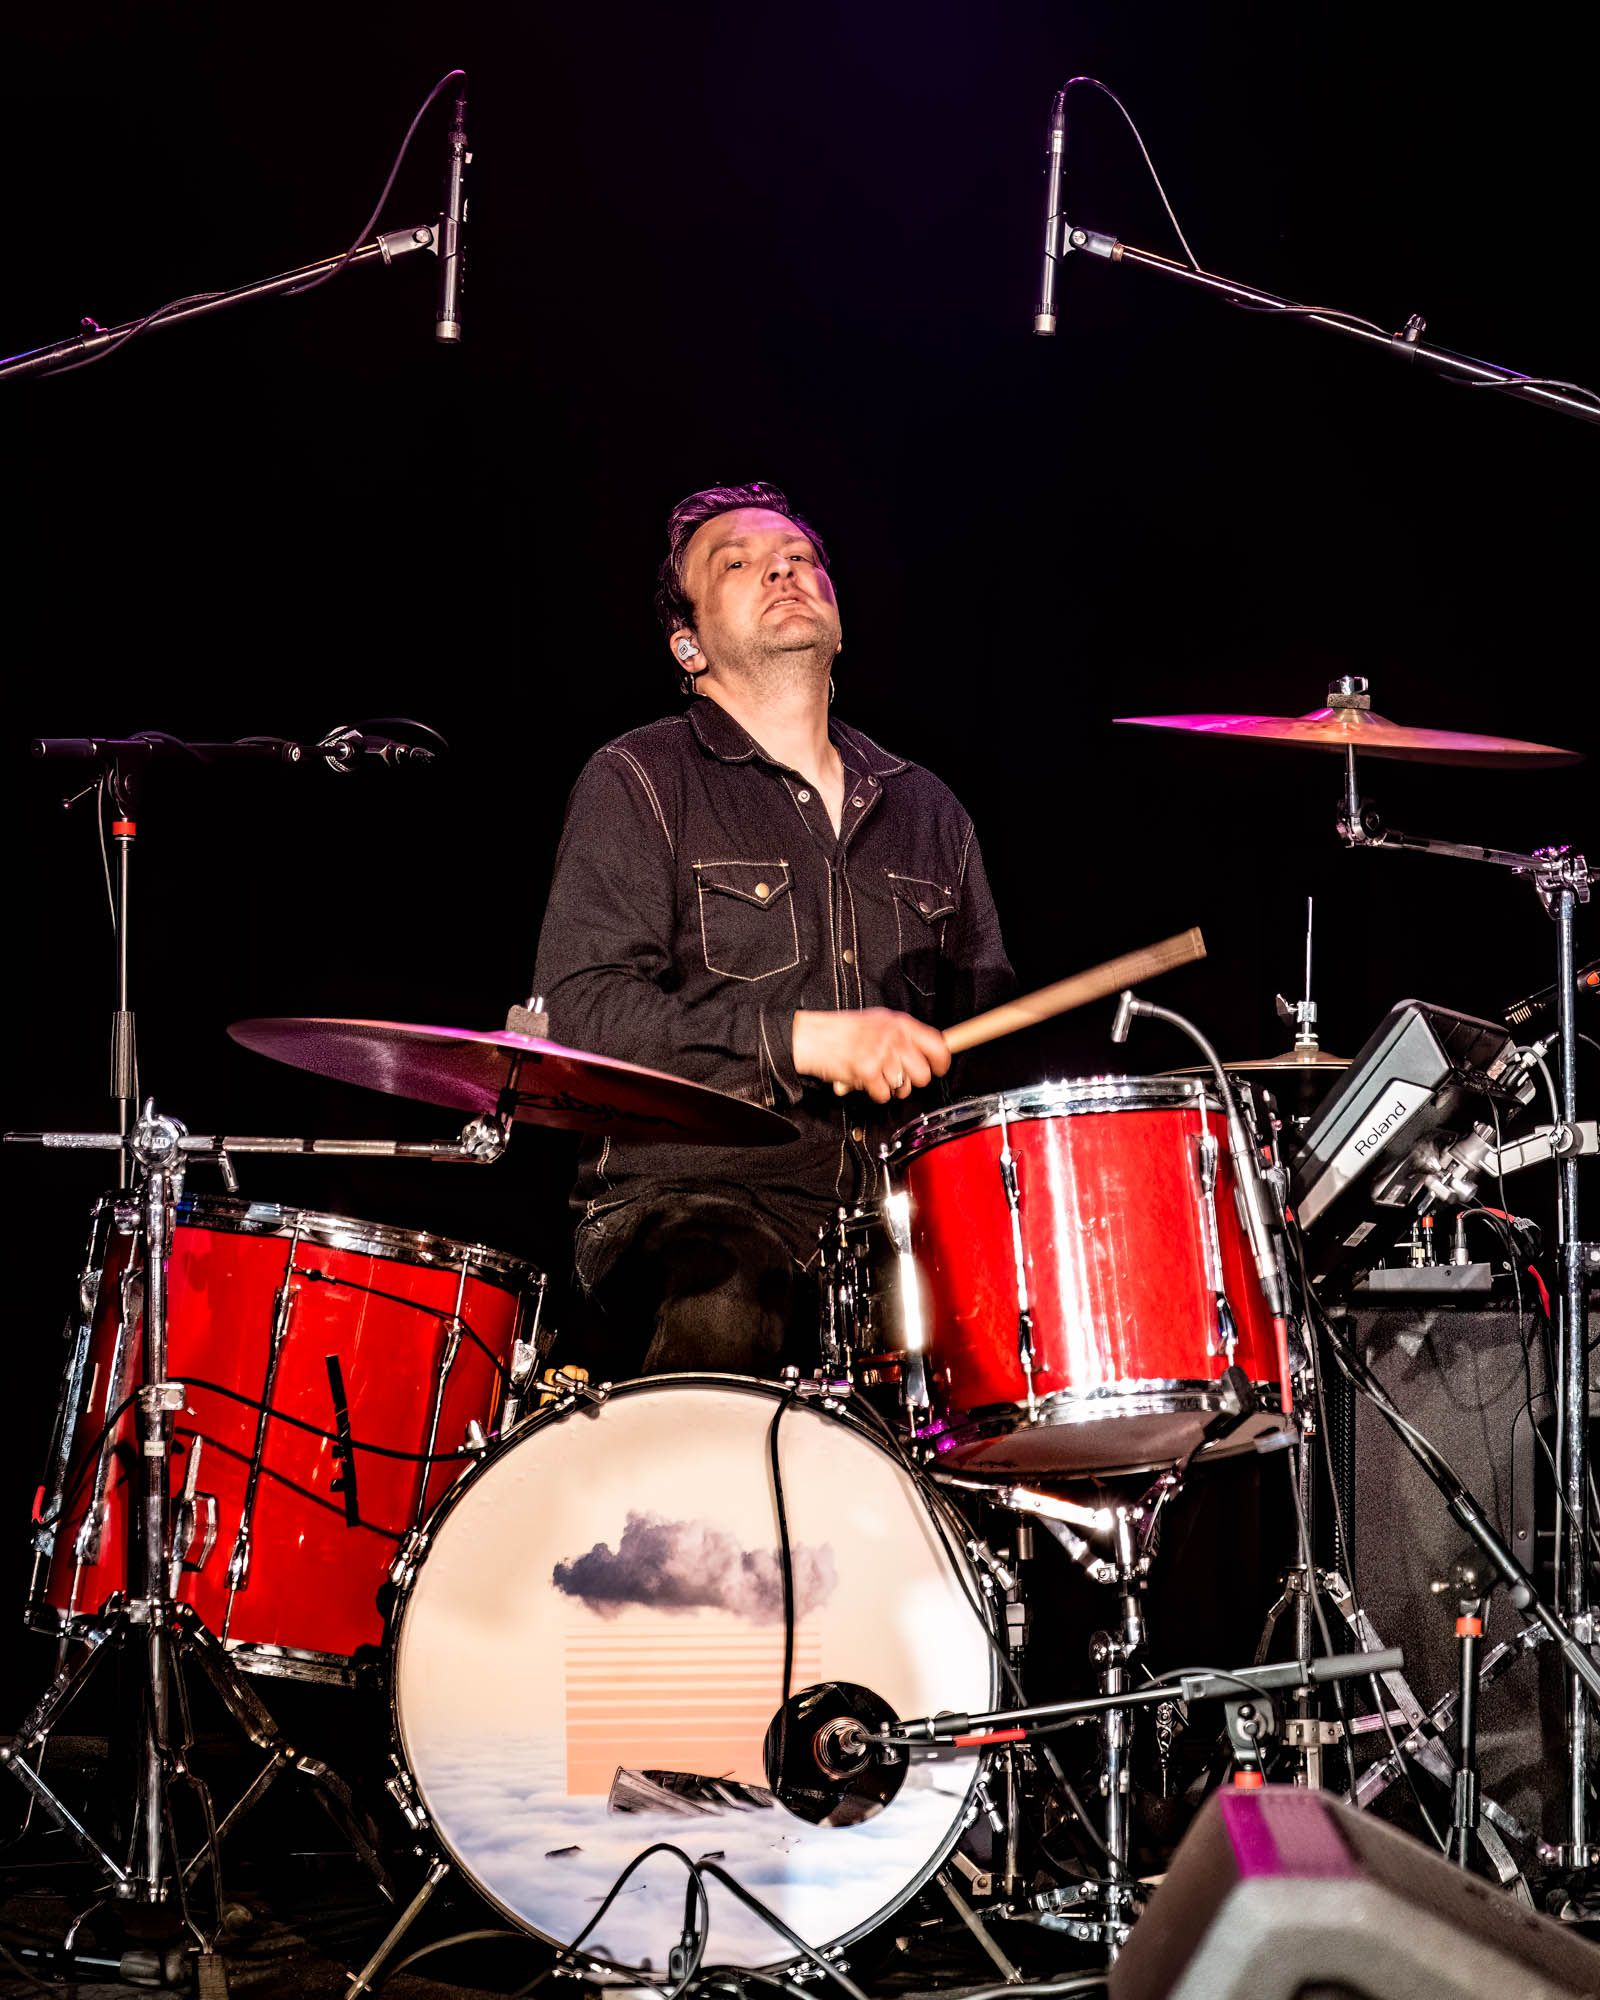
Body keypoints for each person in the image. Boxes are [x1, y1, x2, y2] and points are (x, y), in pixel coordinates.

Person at [532, 480, 1012, 1377]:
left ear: (840, 620)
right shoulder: (640, 779)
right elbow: (579, 1013)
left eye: (801, 558)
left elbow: (989, 1058)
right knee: (728, 1288)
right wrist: (800, 1041)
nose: (782, 571)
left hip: (889, 1222)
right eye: (739, 564)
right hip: (692, 1207)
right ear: (688, 643)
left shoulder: (930, 811)